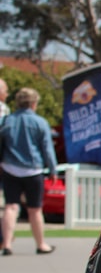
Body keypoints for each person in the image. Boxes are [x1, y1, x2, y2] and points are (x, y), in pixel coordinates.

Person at [1, 87, 58, 255]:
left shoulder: (6, 121)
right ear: (33, 104)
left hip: (10, 168)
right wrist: (53, 169)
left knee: (11, 206)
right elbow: (47, 149)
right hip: (33, 170)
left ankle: (6, 244)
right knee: (35, 209)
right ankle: (41, 244)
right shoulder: (40, 122)